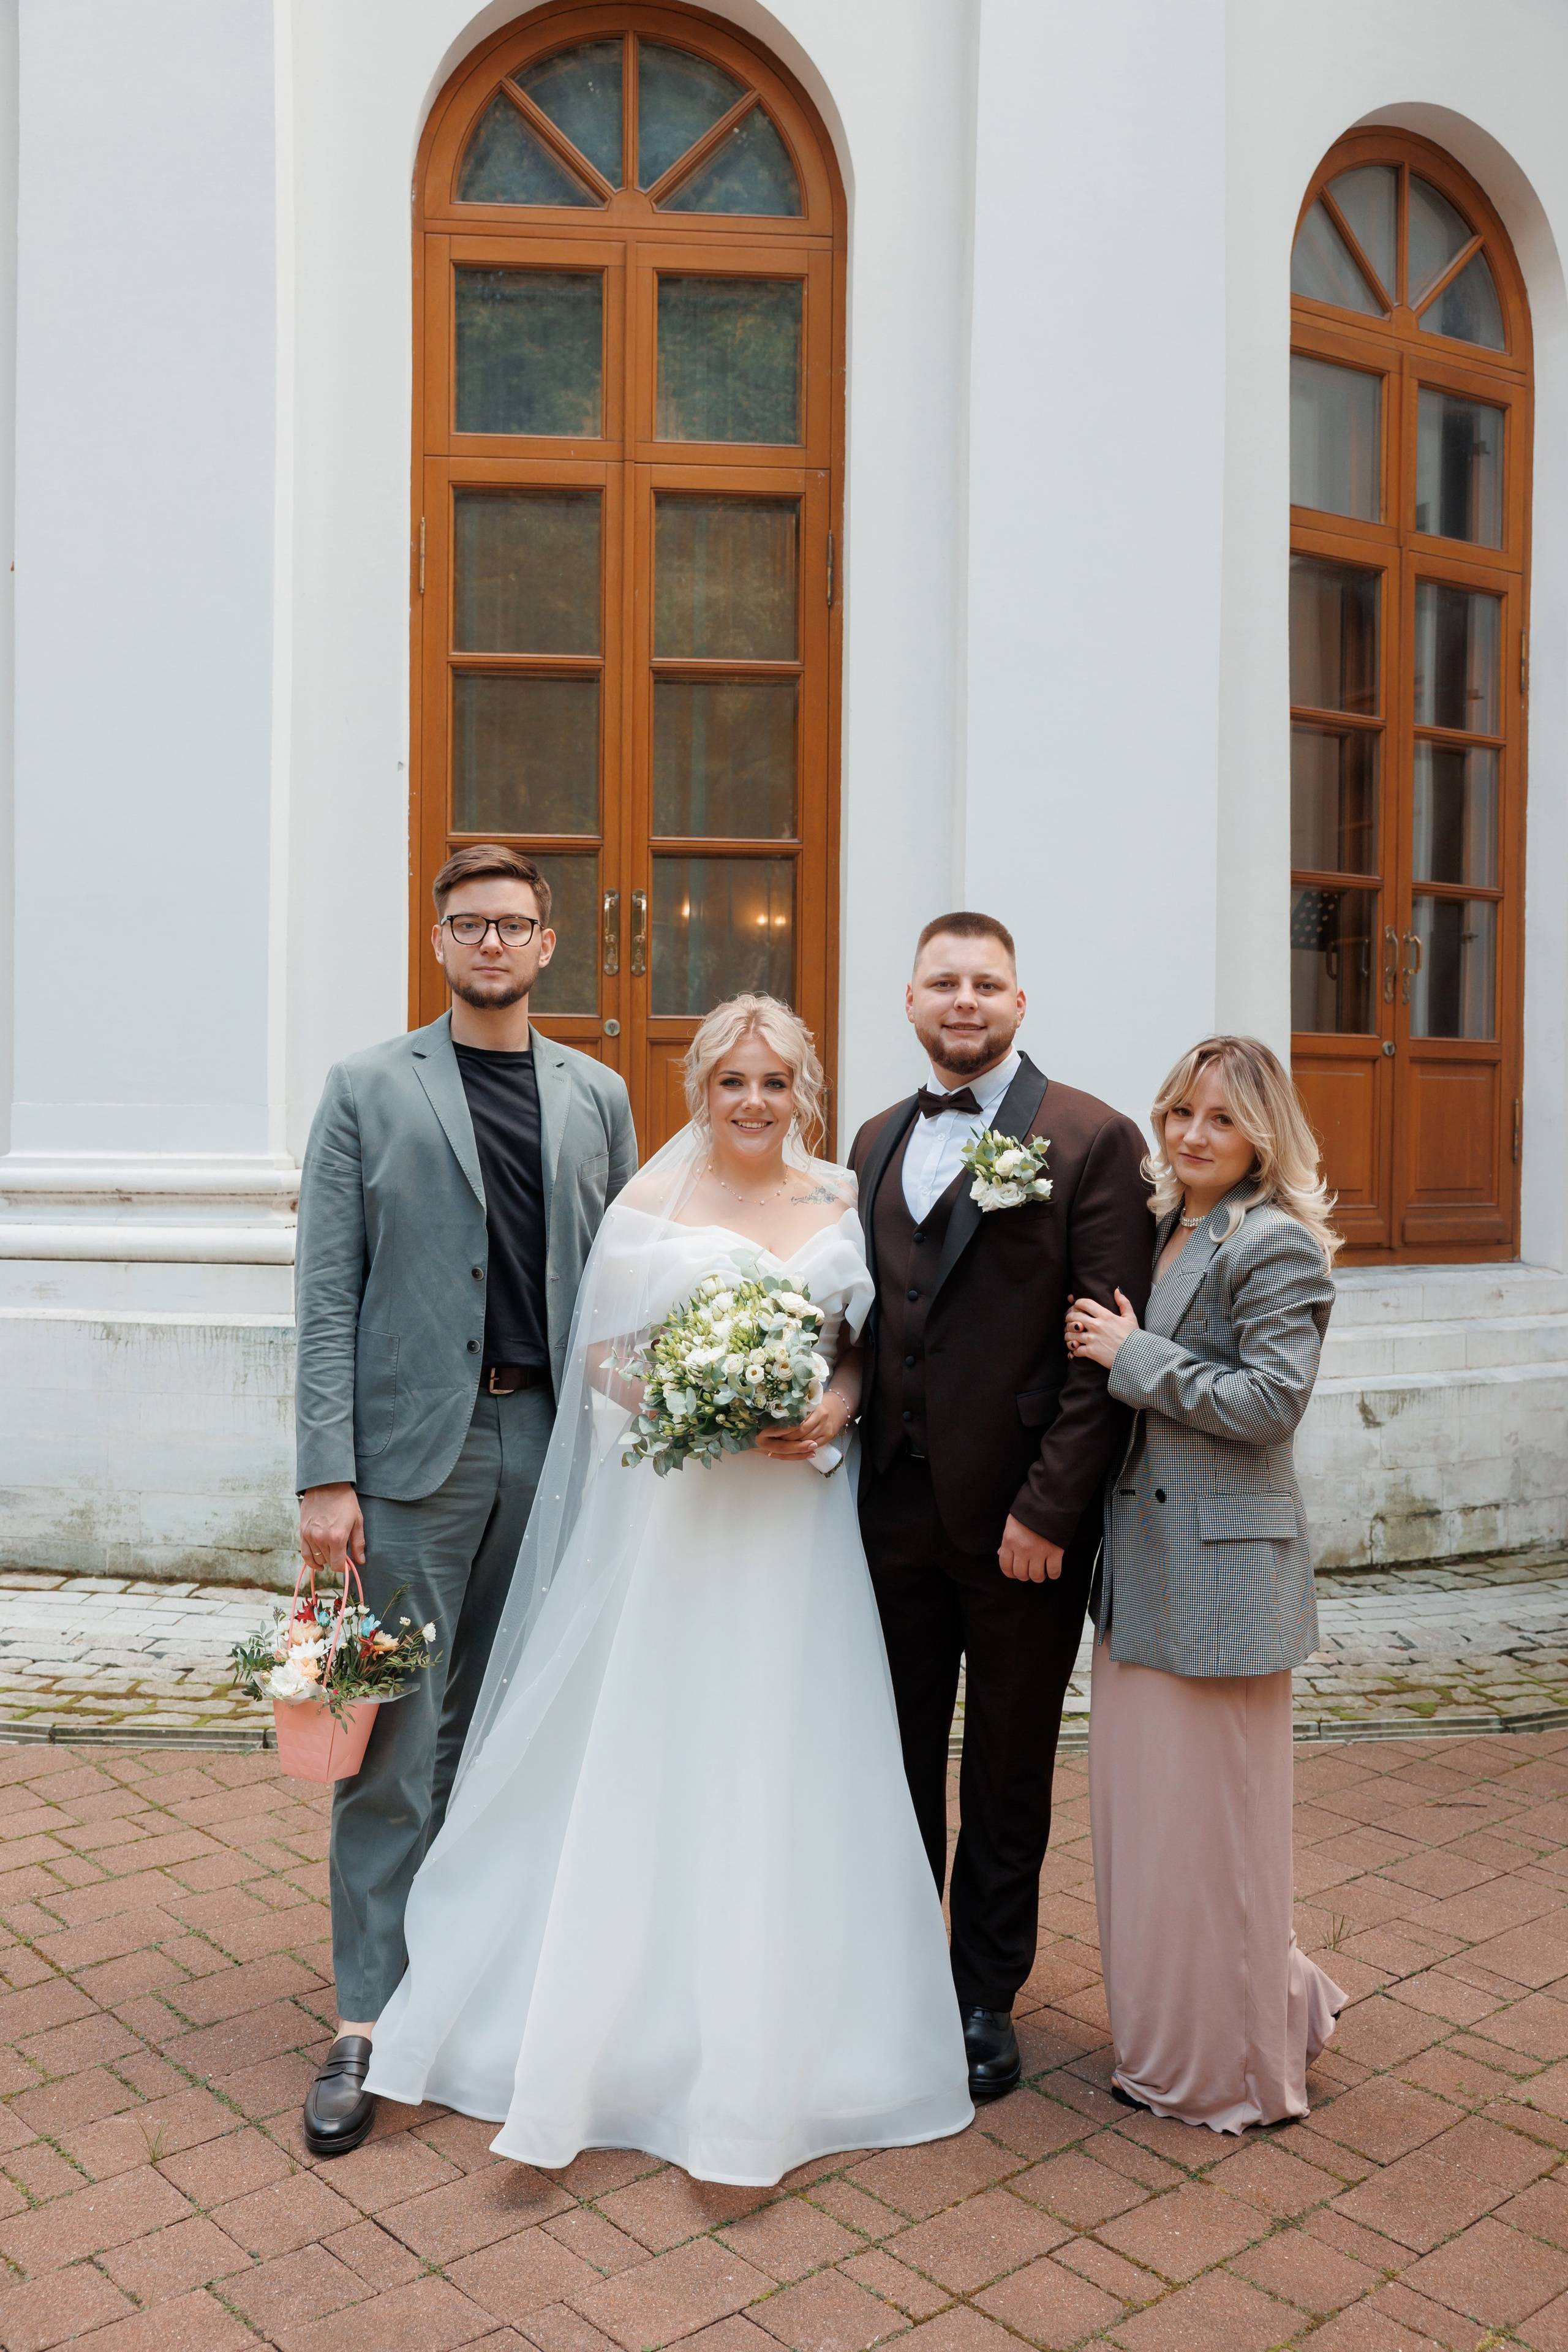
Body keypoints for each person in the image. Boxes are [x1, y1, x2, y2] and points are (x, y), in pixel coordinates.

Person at [363, 994, 973, 2185]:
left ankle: (799, 2026)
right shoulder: (653, 1200)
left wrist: (831, 1405)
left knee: (788, 1744)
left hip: (796, 1522)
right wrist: (711, 1410)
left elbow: (852, 1343)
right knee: (665, 1733)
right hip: (687, 1513)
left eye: (774, 1081)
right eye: (732, 1081)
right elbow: (601, 1359)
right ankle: (624, 2017)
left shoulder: (840, 1199)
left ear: (804, 1091)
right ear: (701, 1088)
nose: (753, 1102)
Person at [292, 843, 636, 2158]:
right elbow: (327, 1289)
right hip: (407, 1463)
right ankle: (369, 2018)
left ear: (550, 943)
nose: (491, 944)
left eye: (513, 924)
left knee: (513, 1727)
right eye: (467, 925)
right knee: (393, 1740)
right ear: (439, 942)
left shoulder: (597, 1094)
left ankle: (479, 1984)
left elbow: (622, 1283)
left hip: (552, 1445)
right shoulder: (368, 1087)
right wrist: (327, 1474)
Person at [850, 913, 1152, 2100]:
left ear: (1018, 1003)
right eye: (942, 982)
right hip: (887, 1517)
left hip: (1021, 1527)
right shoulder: (875, 1138)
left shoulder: (1088, 1139)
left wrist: (1049, 1511)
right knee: (895, 1758)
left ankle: (983, 1995)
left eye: (984, 983)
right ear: (910, 999)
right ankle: (891, 1973)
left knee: (1007, 1771)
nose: (961, 1000)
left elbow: (1101, 1357)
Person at [1068, 1033, 1344, 2131]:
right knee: (1152, 1829)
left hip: (1226, 1577)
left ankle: (1232, 2066)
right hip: (1139, 1574)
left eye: (1219, 1120)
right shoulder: (1160, 1226)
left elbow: (1271, 1404)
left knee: (1219, 1833)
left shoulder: (1274, 1245)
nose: (1190, 1135)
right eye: (1180, 1112)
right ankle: (1169, 2037)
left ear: (1261, 1134)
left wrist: (1132, 1360)